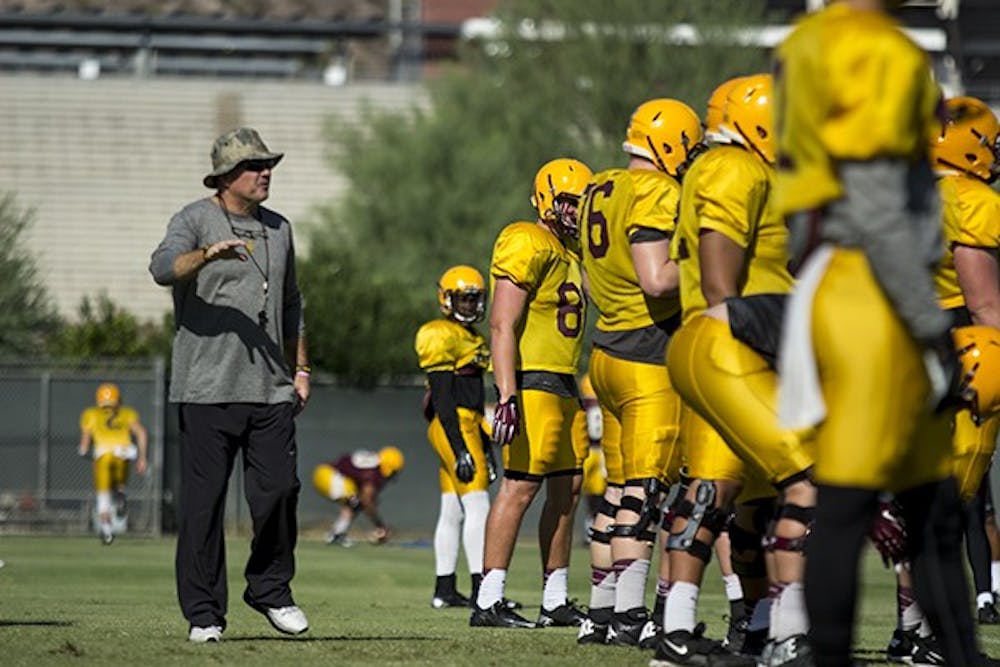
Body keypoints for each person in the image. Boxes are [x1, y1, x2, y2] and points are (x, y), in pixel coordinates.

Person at [773, 3, 985, 664]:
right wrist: (932, 325)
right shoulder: (873, 50)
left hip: (843, 273)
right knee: (848, 495)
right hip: (871, 285)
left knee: (935, 502)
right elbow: (874, 200)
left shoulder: (810, 39)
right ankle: (831, 654)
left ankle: (963, 653)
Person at [661, 74, 816, 667]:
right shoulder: (736, 169)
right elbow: (722, 279)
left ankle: (710, 630)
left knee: (724, 495)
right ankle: (787, 633)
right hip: (735, 347)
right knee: (792, 481)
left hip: (735, 346)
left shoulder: (736, 170)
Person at [149, 127, 310, 644]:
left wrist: (300, 370)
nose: (266, 173)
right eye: (255, 166)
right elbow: (161, 268)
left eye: (268, 166)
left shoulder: (280, 229)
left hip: (271, 391)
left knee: (280, 491)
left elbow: (291, 305)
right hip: (205, 390)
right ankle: (204, 614)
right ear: (225, 177)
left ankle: (270, 590)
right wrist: (206, 256)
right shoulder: (194, 219)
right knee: (203, 507)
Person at [578, 98, 699, 648]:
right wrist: (707, 262)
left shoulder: (602, 185)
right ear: (672, 144)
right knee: (643, 497)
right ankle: (630, 618)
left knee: (619, 492)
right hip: (646, 355)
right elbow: (656, 278)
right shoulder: (657, 191)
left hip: (604, 352)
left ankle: (600, 616)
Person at [471, 157, 592, 629]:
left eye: (577, 203)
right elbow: (502, 323)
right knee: (520, 485)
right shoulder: (526, 238)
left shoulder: (571, 252)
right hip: (533, 381)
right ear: (545, 199)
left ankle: (555, 598)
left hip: (564, 382)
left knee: (568, 488)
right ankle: (488, 599)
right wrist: (506, 393)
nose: (571, 211)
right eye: (565, 200)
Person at [929, 95, 1000, 628]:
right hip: (960, 346)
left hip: (890, 342)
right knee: (959, 492)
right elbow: (985, 303)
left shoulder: (905, 190)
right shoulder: (969, 199)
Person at [415, 265, 494, 608]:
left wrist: (486, 448)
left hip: (469, 423)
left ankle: (444, 590)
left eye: (474, 299)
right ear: (447, 299)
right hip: (454, 425)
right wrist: (460, 447)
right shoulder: (438, 334)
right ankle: (483, 590)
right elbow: (444, 397)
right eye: (463, 299)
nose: (470, 306)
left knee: (453, 510)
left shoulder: (474, 337)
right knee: (478, 504)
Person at [78, 382, 149, 545]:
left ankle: (107, 532)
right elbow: (142, 433)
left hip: (103, 455)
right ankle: (121, 495)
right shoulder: (127, 413)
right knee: (119, 487)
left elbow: (84, 445)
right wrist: (142, 458)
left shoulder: (91, 414)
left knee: (103, 496)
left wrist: (85, 452)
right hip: (122, 454)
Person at [312, 446, 405, 547]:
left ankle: (337, 534)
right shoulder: (375, 472)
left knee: (355, 502)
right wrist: (380, 525)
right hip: (330, 476)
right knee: (357, 502)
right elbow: (367, 500)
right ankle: (336, 534)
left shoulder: (374, 463)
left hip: (325, 472)